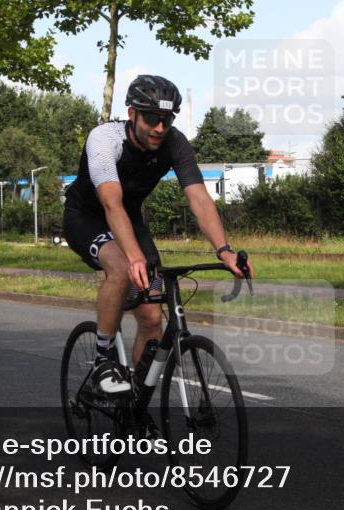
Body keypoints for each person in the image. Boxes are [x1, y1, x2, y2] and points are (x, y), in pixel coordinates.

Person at [63, 74, 253, 396]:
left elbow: (199, 198)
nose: (160, 128)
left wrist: (224, 250)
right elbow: (111, 202)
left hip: (130, 221)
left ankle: (134, 405)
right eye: (152, 118)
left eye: (167, 119)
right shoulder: (104, 139)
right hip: (88, 218)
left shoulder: (174, 143)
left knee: (152, 320)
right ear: (132, 113)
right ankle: (102, 361)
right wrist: (134, 256)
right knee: (122, 267)